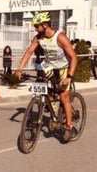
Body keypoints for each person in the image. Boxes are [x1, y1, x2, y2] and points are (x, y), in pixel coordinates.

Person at [15, 11, 77, 141]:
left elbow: (73, 57)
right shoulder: (38, 38)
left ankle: (69, 127)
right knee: (42, 86)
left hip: (63, 68)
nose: (35, 29)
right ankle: (51, 106)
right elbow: (29, 52)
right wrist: (19, 69)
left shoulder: (60, 37)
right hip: (48, 66)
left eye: (37, 26)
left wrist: (69, 77)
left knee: (63, 96)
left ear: (44, 25)